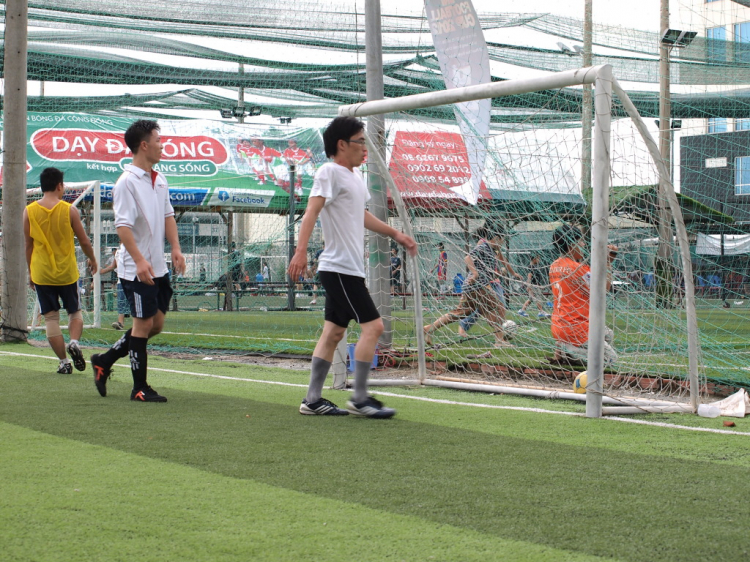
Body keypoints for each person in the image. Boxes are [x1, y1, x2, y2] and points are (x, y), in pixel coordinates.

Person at [288, 115, 417, 418]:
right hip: (339, 268)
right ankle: (359, 398)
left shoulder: (354, 178)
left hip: (347, 270)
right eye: (360, 142)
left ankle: (312, 399)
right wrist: (300, 250)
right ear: (342, 144)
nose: (365, 149)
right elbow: (311, 211)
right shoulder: (329, 171)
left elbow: (360, 215)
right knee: (374, 327)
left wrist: (395, 232)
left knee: (333, 333)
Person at [91, 119, 185, 402]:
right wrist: (139, 260)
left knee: (155, 325)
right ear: (144, 145)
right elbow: (123, 226)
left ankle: (105, 360)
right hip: (135, 268)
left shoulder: (160, 179)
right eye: (158, 140)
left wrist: (176, 248)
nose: (161, 145)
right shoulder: (126, 182)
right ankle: (139, 388)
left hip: (158, 267)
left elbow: (168, 216)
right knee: (143, 325)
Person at [24, 167, 98, 374]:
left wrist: (31, 272)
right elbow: (84, 241)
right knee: (74, 312)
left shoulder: (29, 211)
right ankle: (74, 342)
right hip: (66, 272)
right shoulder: (69, 210)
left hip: (42, 272)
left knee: (50, 318)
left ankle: (64, 363)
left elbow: (28, 245)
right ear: (59, 186)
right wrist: (92, 259)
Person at [424, 222, 514, 349]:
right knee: (498, 307)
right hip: (477, 286)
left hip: (471, 287)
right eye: (502, 240)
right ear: (497, 238)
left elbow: (485, 269)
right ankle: (499, 341)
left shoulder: (493, 250)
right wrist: (475, 273)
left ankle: (429, 329)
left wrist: (497, 273)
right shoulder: (484, 246)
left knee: (460, 312)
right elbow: (467, 258)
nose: (503, 243)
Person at [548, 224, 618, 366]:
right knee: (611, 360)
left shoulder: (553, 265)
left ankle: (564, 348)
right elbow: (604, 290)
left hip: (559, 324)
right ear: (572, 244)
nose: (584, 244)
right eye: (580, 241)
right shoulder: (577, 269)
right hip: (577, 328)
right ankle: (570, 352)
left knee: (607, 334)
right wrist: (608, 263)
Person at [456, 233, 523, 339]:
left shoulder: (496, 247)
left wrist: (512, 273)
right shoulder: (483, 243)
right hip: (484, 283)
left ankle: (500, 334)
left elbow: (502, 259)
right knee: (482, 309)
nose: (503, 241)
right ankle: (464, 326)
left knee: (499, 307)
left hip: (494, 281)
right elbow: (471, 259)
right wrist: (475, 274)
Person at [100, 247, 130, 330]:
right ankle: (120, 323)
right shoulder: (118, 253)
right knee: (121, 301)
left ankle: (141, 324)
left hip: (134, 279)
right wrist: (101, 271)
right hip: (121, 281)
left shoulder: (134, 248)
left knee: (136, 303)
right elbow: (113, 266)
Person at [518, 253, 551, 318]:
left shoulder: (535, 266)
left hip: (535, 285)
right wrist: (528, 285)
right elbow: (529, 276)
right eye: (538, 258)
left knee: (530, 299)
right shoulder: (531, 267)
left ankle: (522, 311)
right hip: (533, 286)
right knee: (537, 298)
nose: (539, 260)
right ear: (534, 259)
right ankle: (541, 311)